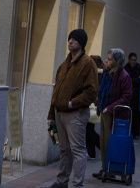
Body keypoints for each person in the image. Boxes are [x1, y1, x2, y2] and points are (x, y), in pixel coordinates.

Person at [46, 29, 98, 188]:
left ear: (81, 43)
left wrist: (72, 103)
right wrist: (51, 114)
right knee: (64, 150)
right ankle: (62, 182)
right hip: (59, 113)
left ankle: (77, 185)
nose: (70, 41)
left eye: (74, 39)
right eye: (70, 39)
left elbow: (92, 91)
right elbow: (56, 91)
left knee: (78, 151)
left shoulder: (87, 63)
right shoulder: (64, 65)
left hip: (75, 113)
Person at [92, 48, 133, 179]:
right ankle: (104, 168)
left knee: (110, 143)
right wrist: (98, 101)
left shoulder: (124, 76)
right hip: (105, 111)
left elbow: (126, 97)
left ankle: (110, 169)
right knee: (103, 142)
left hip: (115, 115)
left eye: (109, 59)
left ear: (116, 61)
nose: (106, 61)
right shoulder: (107, 73)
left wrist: (110, 108)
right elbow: (102, 89)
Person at [124, 52, 140, 140]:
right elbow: (127, 80)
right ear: (129, 60)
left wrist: (135, 80)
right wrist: (137, 79)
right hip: (128, 95)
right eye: (131, 60)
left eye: (134, 60)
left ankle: (136, 133)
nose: (133, 62)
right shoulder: (125, 68)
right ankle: (128, 132)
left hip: (137, 95)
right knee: (128, 115)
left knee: (137, 116)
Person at [86, 55, 104, 159]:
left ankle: (102, 147)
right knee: (89, 128)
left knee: (88, 129)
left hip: (91, 104)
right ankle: (91, 153)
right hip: (96, 104)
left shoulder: (95, 73)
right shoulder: (102, 73)